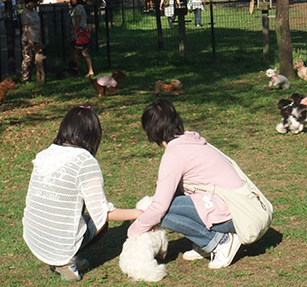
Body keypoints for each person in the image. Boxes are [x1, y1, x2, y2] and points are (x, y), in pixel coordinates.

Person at [23, 106, 142, 281]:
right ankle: (66, 261)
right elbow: (102, 213)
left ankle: (60, 256)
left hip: (34, 236)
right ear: (92, 134)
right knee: (100, 224)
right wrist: (140, 213)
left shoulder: (45, 153)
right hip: (57, 241)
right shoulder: (84, 161)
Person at [128, 100, 244, 269]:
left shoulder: (174, 154)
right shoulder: (191, 141)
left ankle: (220, 241)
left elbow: (159, 206)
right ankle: (206, 243)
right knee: (171, 199)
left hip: (232, 215)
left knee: (164, 212)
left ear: (151, 130)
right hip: (238, 206)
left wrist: (134, 230)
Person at [69, 0, 94, 77]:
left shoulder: (78, 8)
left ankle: (88, 70)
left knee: (83, 52)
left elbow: (77, 21)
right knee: (74, 52)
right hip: (80, 31)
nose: (72, 0)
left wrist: (74, 32)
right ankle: (78, 70)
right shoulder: (78, 8)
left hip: (79, 33)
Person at [20, 0, 43, 83]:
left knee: (34, 59)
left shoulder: (35, 12)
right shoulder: (25, 13)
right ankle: (25, 78)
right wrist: (29, 39)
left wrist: (39, 39)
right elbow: (25, 27)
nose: (33, 4)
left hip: (36, 37)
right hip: (28, 38)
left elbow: (38, 25)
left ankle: (31, 75)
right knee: (27, 58)